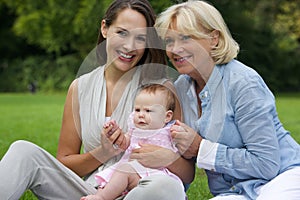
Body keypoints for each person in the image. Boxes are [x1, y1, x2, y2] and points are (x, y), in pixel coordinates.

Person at [0, 0, 194, 199]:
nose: (129, 46)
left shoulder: (161, 90)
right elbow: (65, 164)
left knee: (164, 186)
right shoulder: (80, 88)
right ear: (104, 28)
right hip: (91, 192)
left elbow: (188, 173)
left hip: (139, 190)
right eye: (122, 33)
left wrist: (166, 158)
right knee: (22, 151)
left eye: (140, 38)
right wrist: (103, 152)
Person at [155, 1, 300, 200]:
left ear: (214, 39)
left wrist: (201, 148)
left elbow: (267, 164)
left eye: (186, 38)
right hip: (233, 192)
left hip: (281, 178)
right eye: (169, 41)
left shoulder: (242, 82)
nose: (175, 48)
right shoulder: (180, 87)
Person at [81, 84, 185, 200]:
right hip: (132, 172)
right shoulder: (135, 130)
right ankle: (101, 197)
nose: (141, 114)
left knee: (126, 172)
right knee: (112, 177)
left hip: (155, 175)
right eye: (137, 110)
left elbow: (181, 153)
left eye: (148, 111)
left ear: (167, 117)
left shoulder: (170, 132)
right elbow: (125, 143)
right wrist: (115, 134)